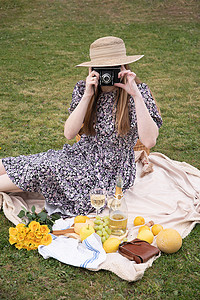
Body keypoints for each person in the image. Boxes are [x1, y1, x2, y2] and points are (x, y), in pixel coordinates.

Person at [0, 36, 162, 216]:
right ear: (93, 69)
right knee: (30, 161)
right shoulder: (83, 89)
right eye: (102, 68)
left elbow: (149, 140)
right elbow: (69, 134)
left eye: (112, 68)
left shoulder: (138, 92)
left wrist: (136, 95)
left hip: (110, 171)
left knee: (42, 168)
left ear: (123, 67)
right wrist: (87, 95)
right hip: (80, 155)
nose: (107, 74)